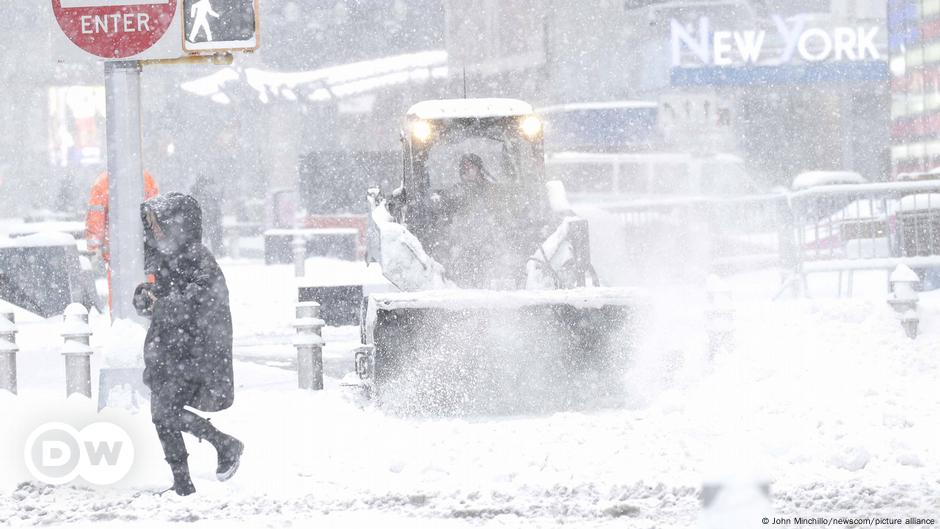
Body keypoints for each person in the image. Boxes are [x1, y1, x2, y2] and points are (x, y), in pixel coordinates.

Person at [133, 192, 243, 496]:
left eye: (158, 224)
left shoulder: (197, 257)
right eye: (151, 224)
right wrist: (147, 296)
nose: (153, 230)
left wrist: (162, 305)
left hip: (193, 350)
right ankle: (184, 481)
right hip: (171, 347)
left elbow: (202, 301)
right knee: (161, 413)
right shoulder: (167, 257)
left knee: (164, 413)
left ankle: (224, 445)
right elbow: (166, 294)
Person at [85, 170, 160, 308]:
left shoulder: (103, 182)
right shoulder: (146, 178)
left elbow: (95, 219)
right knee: (150, 294)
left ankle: (122, 323)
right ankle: (152, 321)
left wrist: (94, 248)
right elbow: (157, 215)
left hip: (117, 254)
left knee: (119, 300)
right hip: (146, 252)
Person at [190, 175, 224, 255]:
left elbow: (216, 209)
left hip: (205, 221)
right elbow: (216, 208)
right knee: (213, 237)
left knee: (209, 237)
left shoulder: (198, 194)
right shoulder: (208, 195)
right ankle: (217, 252)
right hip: (206, 221)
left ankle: (215, 252)